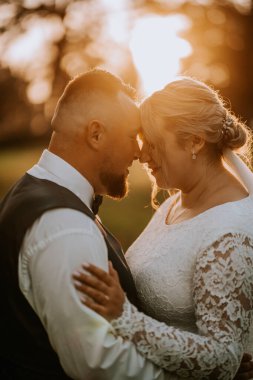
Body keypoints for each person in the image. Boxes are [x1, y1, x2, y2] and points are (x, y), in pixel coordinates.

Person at [72, 77, 253, 379]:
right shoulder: (177, 202)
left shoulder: (230, 236)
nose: (142, 156)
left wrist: (125, 318)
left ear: (195, 141)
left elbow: (224, 359)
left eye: (154, 144)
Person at [0, 69, 172, 380]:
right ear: (95, 134)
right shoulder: (65, 227)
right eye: (132, 134)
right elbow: (98, 363)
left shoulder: (39, 189)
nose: (138, 151)